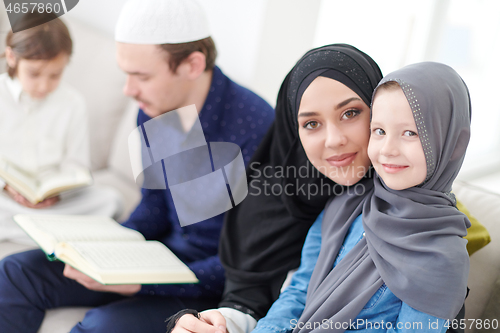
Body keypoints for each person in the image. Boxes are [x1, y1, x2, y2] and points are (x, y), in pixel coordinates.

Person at [0, 0, 274, 332]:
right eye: (126, 74)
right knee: (16, 271)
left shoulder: (257, 130)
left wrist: (143, 285)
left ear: (192, 65)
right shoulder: (154, 108)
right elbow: (153, 210)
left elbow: (248, 269)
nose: (129, 91)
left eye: (141, 76)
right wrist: (102, 252)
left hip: (207, 285)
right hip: (157, 260)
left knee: (101, 327)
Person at [170, 49, 471, 333]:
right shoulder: (341, 204)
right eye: (311, 123)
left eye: (351, 113)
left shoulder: (437, 242)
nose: (334, 139)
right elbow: (293, 293)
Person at [0, 13, 122, 243]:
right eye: (34, 74)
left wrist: (58, 193)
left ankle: (30, 228)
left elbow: (77, 165)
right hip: (6, 198)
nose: (44, 85)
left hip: (53, 201)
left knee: (111, 200)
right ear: (12, 57)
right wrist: (7, 187)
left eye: (55, 75)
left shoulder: (72, 103)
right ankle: (49, 231)